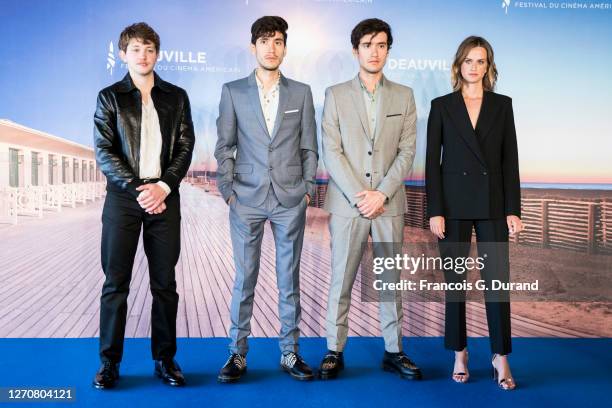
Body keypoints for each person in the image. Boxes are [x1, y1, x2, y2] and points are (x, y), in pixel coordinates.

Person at [214, 16, 318, 382]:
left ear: (285, 47)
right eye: (264, 41)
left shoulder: (301, 92)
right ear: (253, 47)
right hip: (246, 199)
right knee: (244, 279)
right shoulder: (233, 91)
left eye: (277, 41)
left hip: (290, 199)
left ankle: (290, 353)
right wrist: (228, 191)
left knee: (289, 279)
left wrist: (307, 189)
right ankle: (237, 355)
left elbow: (309, 147)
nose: (271, 48)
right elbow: (224, 146)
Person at [92, 22, 194, 389]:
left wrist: (164, 186)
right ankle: (109, 364)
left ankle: (165, 360)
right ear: (123, 54)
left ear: (157, 53)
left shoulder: (176, 96)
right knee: (115, 284)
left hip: (165, 198)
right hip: (124, 199)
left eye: (149, 49)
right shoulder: (110, 97)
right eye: (135, 49)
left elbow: (185, 146)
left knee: (165, 284)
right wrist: (138, 188)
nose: (143, 55)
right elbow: (104, 151)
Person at [318, 18, 421, 381]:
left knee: (390, 281)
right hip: (348, 205)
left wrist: (382, 194)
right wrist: (360, 196)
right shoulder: (335, 94)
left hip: (389, 204)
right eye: (367, 45)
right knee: (341, 279)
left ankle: (394, 351)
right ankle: (334, 350)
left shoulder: (405, 96)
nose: (374, 52)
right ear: (355, 50)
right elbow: (331, 151)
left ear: (388, 50)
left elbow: (407, 152)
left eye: (381, 45)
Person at [425, 35, 523, 390]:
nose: (474, 67)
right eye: (468, 61)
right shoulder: (441, 106)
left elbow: (509, 160)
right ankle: (460, 352)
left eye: (480, 61)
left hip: (494, 204)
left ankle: (501, 356)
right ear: (458, 66)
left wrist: (513, 208)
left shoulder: (502, 105)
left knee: (497, 283)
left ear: (488, 66)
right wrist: (435, 210)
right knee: (455, 285)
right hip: (451, 207)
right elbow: (432, 164)